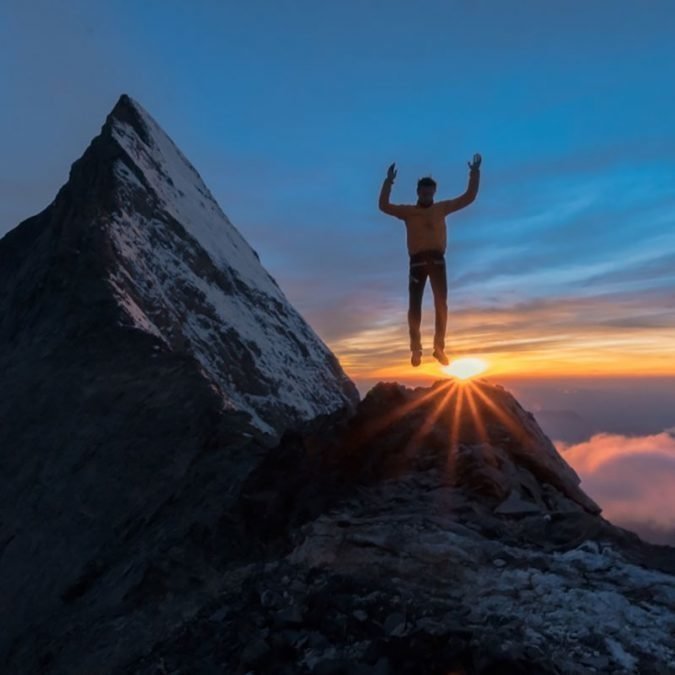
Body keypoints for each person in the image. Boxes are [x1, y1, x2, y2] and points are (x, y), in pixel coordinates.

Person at [378, 154, 481, 367]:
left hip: (437, 260)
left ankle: (439, 349)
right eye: (423, 192)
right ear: (418, 192)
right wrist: (389, 181)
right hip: (416, 261)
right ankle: (416, 350)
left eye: (429, 193)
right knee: (414, 307)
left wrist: (474, 173)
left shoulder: (441, 208)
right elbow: (384, 206)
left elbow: (468, 197)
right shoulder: (408, 212)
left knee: (441, 305)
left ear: (433, 193)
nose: (426, 196)